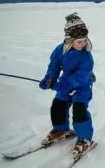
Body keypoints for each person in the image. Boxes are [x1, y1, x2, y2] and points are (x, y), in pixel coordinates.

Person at [39, 12, 95, 158]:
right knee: (58, 104)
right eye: (79, 41)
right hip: (65, 83)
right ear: (69, 41)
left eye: (85, 40)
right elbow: (54, 66)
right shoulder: (59, 50)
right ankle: (61, 129)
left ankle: (84, 138)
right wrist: (49, 79)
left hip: (82, 86)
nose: (83, 44)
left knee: (79, 109)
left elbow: (81, 77)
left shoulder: (86, 56)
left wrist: (64, 86)